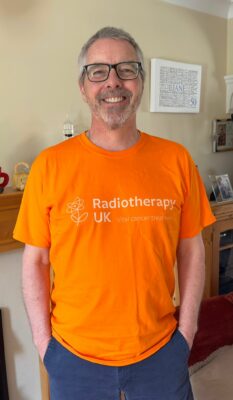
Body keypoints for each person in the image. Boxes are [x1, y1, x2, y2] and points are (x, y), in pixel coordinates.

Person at [14, 27, 216, 400]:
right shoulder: (50, 166)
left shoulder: (176, 161)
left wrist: (185, 335)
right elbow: (35, 262)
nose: (113, 82)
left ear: (140, 81)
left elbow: (192, 250)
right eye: (98, 71)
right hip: (73, 358)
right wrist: (46, 347)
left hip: (160, 354)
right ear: (83, 85)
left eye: (127, 69)